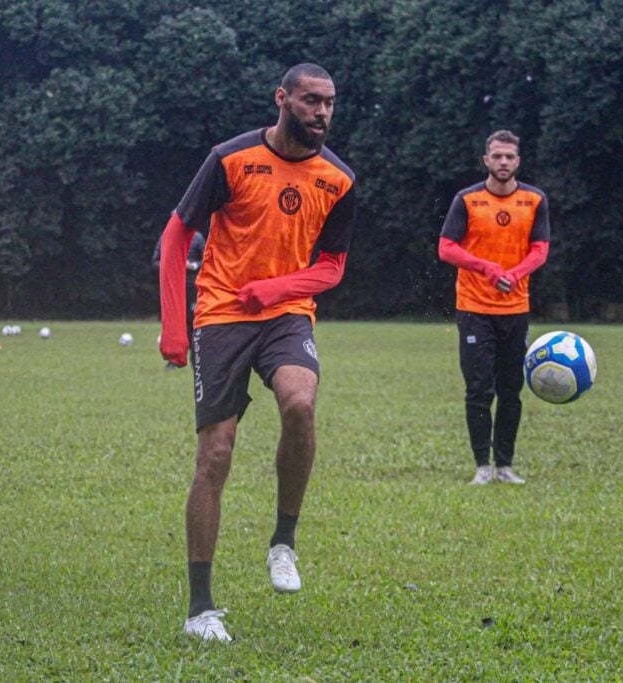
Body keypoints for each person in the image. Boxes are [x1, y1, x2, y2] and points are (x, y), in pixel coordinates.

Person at [159, 63, 356, 641]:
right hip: (220, 314)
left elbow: (332, 267)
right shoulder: (230, 158)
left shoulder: (339, 178)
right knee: (215, 456)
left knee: (300, 403)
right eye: (311, 100)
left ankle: (283, 543)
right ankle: (200, 609)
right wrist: (175, 326)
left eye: (330, 103)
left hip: (286, 314)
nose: (321, 112)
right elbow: (175, 236)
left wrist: (276, 289)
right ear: (282, 99)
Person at [438, 129, 551, 485]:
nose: (503, 162)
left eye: (510, 157)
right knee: (478, 390)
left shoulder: (534, 200)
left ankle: (504, 465)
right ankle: (481, 467)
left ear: (518, 161)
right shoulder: (467, 200)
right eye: (497, 156)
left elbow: (541, 249)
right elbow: (446, 247)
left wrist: (515, 274)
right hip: (473, 309)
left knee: (511, 389)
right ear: (486, 160)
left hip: (515, 310)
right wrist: (487, 268)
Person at [152, 231, 205, 369]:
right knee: (175, 322)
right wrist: (172, 264)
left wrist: (192, 266)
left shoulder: (197, 238)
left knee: (194, 322)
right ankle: (173, 360)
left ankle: (196, 359)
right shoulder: (167, 236)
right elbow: (156, 261)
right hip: (174, 288)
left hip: (193, 287)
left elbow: (208, 260)